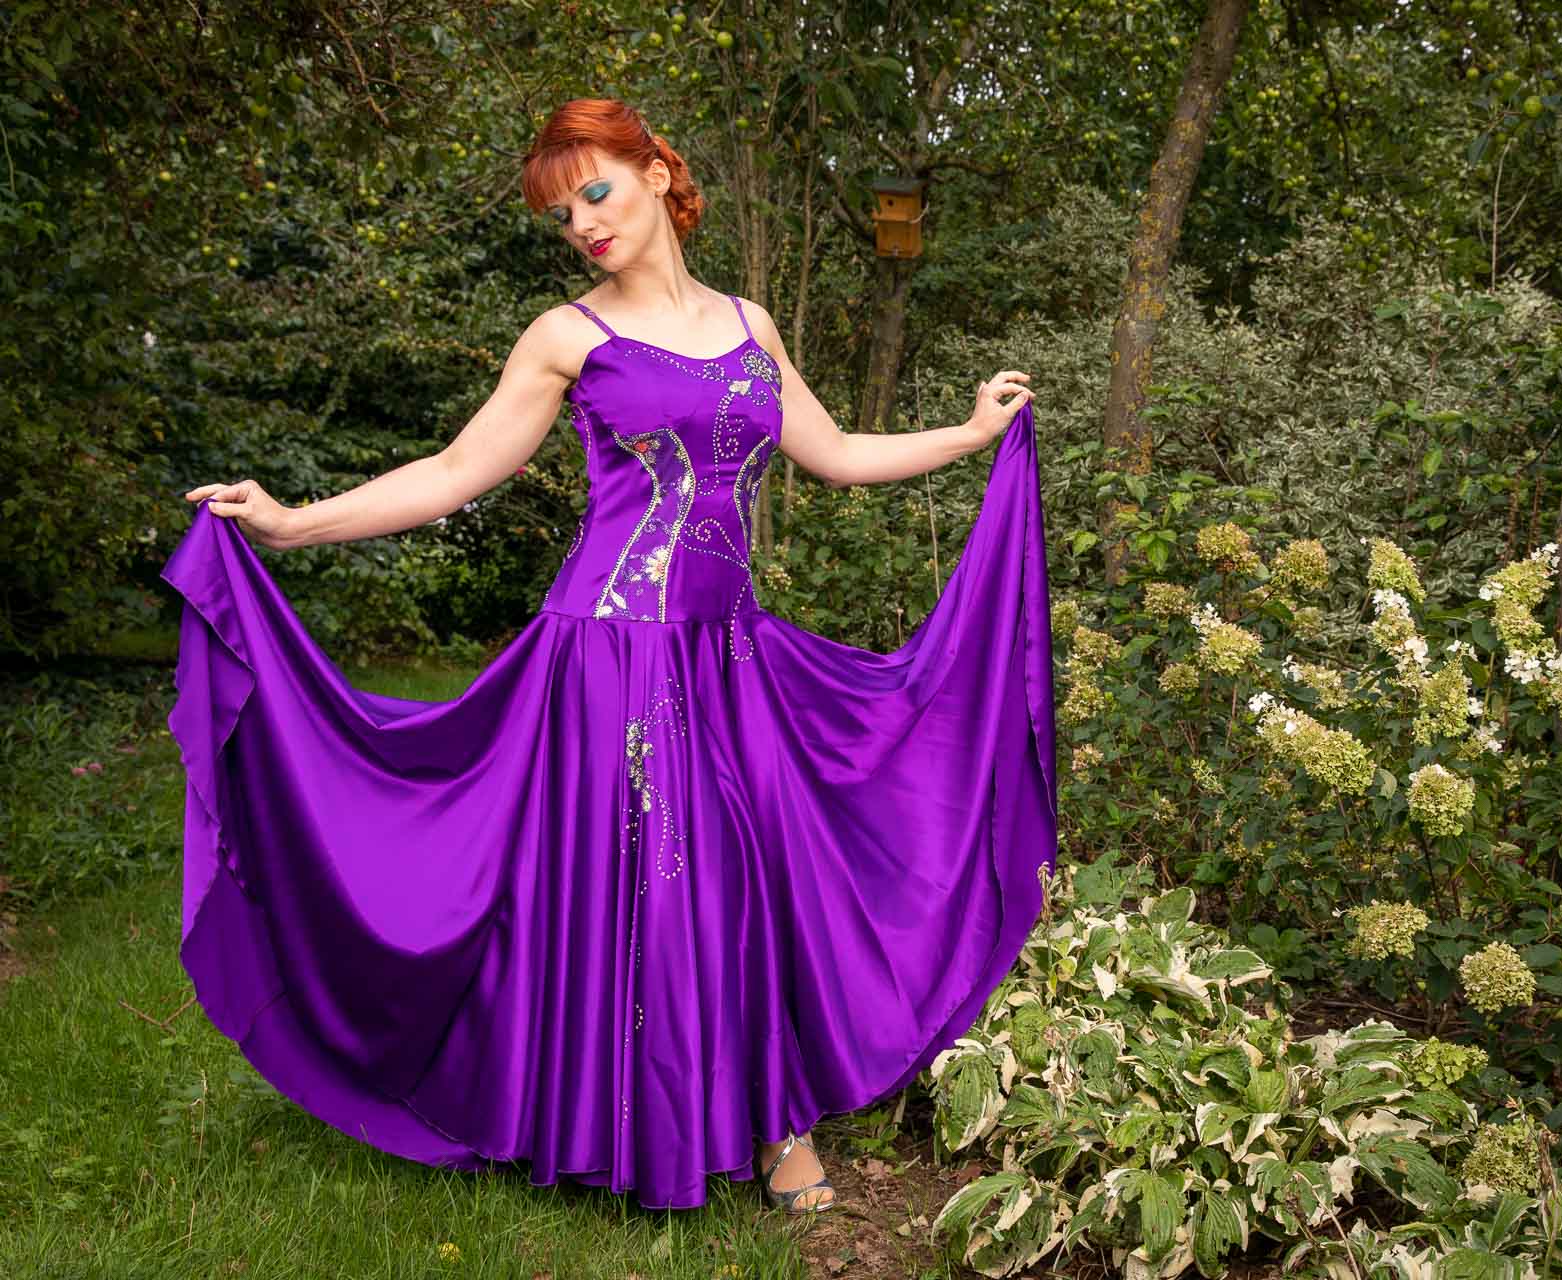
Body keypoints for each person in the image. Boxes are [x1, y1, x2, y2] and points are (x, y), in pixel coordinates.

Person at [162, 98, 1059, 1216]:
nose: (583, 224)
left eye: (596, 192)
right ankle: (711, 1125)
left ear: (657, 174)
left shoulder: (752, 324)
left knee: (749, 868)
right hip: (613, 657)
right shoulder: (566, 336)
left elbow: (832, 452)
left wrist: (969, 434)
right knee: (673, 872)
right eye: (562, 213)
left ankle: (752, 1111)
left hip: (731, 654)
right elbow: (455, 471)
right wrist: (292, 524)